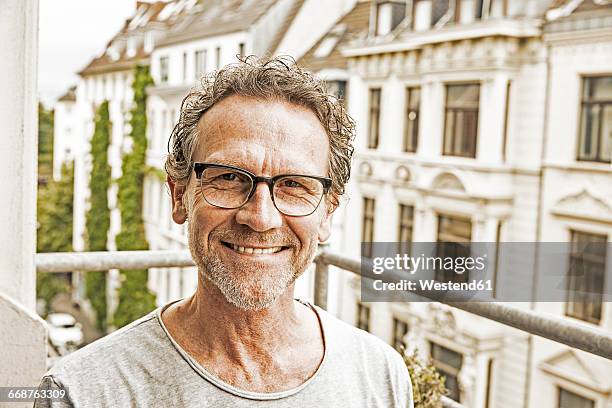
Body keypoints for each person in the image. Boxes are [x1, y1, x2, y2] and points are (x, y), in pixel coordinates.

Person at [35, 56, 413, 407]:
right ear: (180, 195)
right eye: (229, 177)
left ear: (328, 212)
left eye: (295, 184)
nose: (260, 217)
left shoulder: (380, 375)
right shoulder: (81, 392)